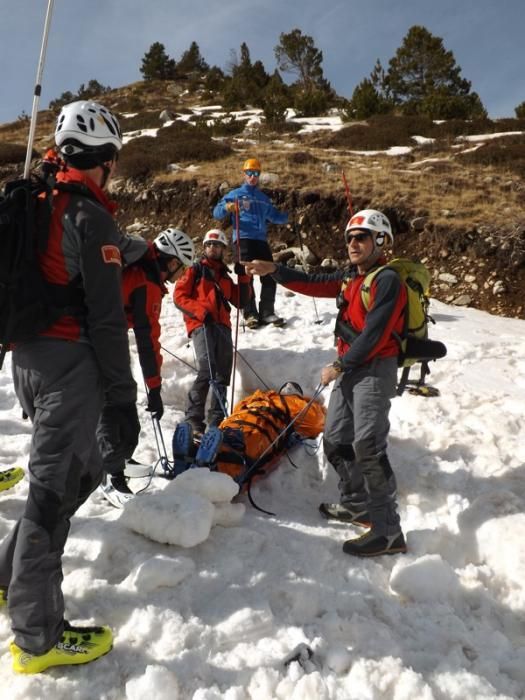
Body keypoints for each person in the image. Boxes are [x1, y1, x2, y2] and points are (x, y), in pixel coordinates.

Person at [0, 100, 143, 674]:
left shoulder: (34, 200)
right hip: (70, 367)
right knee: (52, 494)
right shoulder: (90, 217)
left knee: (77, 472)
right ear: (104, 158)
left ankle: (8, 578)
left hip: (28, 363)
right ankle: (37, 638)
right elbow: (107, 320)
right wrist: (122, 398)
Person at [244, 209, 408, 558]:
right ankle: (356, 504)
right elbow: (315, 284)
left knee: (368, 445)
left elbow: (376, 334)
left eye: (361, 237)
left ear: (381, 241)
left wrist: (339, 364)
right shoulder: (352, 277)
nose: (353, 243)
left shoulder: (387, 280)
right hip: (351, 370)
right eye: (349, 237)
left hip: (374, 370)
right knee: (334, 441)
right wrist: (275, 269)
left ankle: (389, 530)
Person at [98, 227, 195, 507]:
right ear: (173, 262)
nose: (181, 276)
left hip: (103, 333)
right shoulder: (146, 282)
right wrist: (154, 388)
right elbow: (147, 339)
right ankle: (110, 474)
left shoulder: (141, 271)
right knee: (111, 402)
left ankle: (122, 459)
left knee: (124, 394)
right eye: (182, 269)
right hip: (92, 337)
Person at [174, 228, 251, 437]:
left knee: (222, 375)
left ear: (223, 249)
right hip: (202, 325)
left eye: (216, 245)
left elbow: (241, 301)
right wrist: (201, 312)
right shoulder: (195, 269)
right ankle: (194, 420)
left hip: (223, 326)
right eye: (209, 244)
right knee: (207, 369)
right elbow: (179, 296)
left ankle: (216, 421)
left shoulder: (225, 276)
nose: (212, 248)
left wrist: (243, 277)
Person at [212, 157, 288, 328]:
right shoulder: (235, 195)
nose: (253, 177)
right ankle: (249, 313)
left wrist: (288, 217)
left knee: (269, 273)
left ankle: (267, 312)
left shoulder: (262, 198)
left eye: (256, 173)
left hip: (260, 239)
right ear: (244, 174)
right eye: (249, 173)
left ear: (259, 175)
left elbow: (274, 216)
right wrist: (227, 208)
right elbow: (216, 213)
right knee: (246, 275)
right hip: (243, 238)